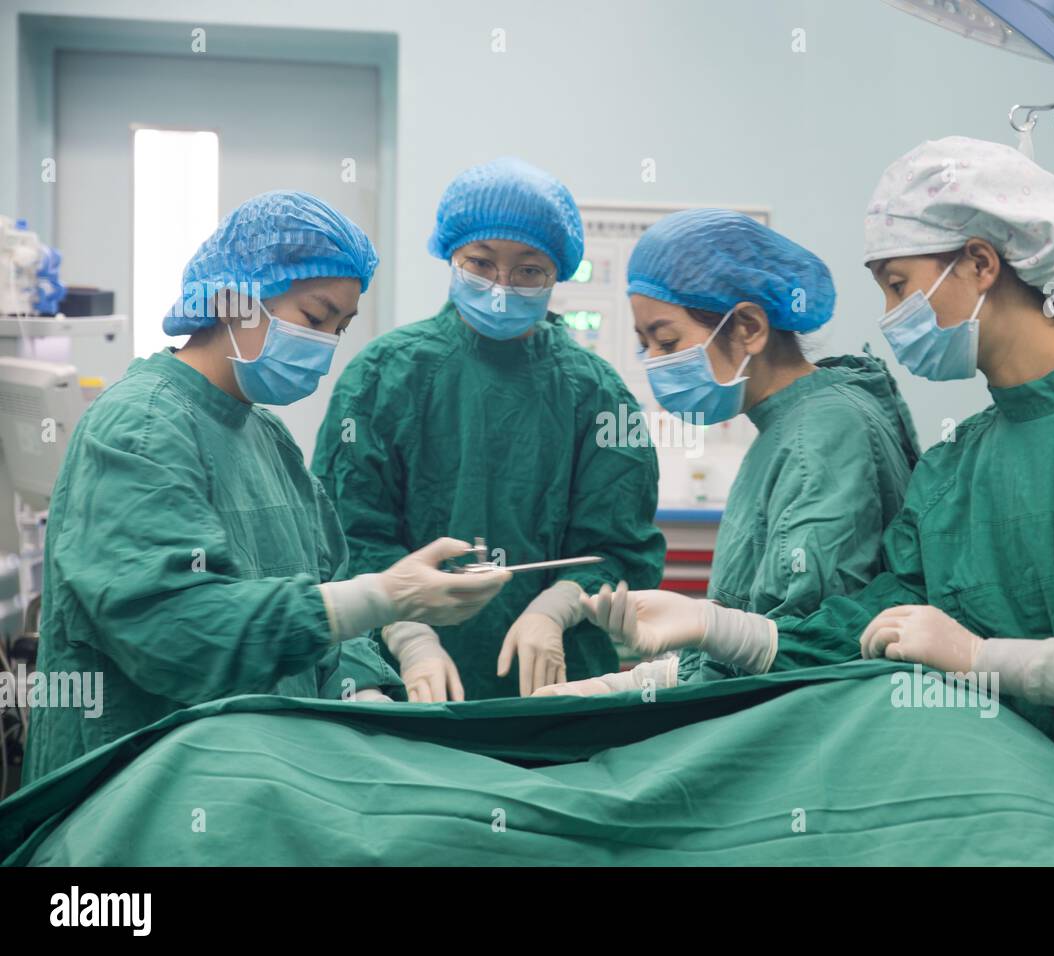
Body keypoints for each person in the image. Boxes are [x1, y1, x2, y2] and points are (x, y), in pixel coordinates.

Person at [568, 138, 1054, 866]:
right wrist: (716, 628)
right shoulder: (958, 465)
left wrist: (991, 659)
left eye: (897, 283)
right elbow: (873, 624)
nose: (891, 315)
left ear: (982, 262)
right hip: (1017, 829)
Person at [23, 191, 509, 784]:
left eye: (341, 328)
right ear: (234, 298)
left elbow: (328, 591)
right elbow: (174, 630)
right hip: (136, 795)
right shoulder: (142, 425)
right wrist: (380, 598)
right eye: (314, 318)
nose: (327, 349)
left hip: (258, 782)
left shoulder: (268, 438)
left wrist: (363, 693)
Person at [313, 158, 664, 702]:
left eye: (528, 270)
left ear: (558, 273)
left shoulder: (595, 392)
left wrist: (555, 609)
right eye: (481, 264)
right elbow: (346, 535)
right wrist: (408, 635)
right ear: (451, 257)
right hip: (404, 682)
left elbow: (620, 548)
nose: (502, 286)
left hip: (557, 682)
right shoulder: (383, 376)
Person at [534, 208, 922, 696]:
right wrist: (646, 680)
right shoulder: (786, 426)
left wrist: (703, 634)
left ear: (749, 328)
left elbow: (813, 656)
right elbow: (759, 638)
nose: (655, 363)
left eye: (668, 340)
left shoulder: (822, 436)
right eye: (644, 344)